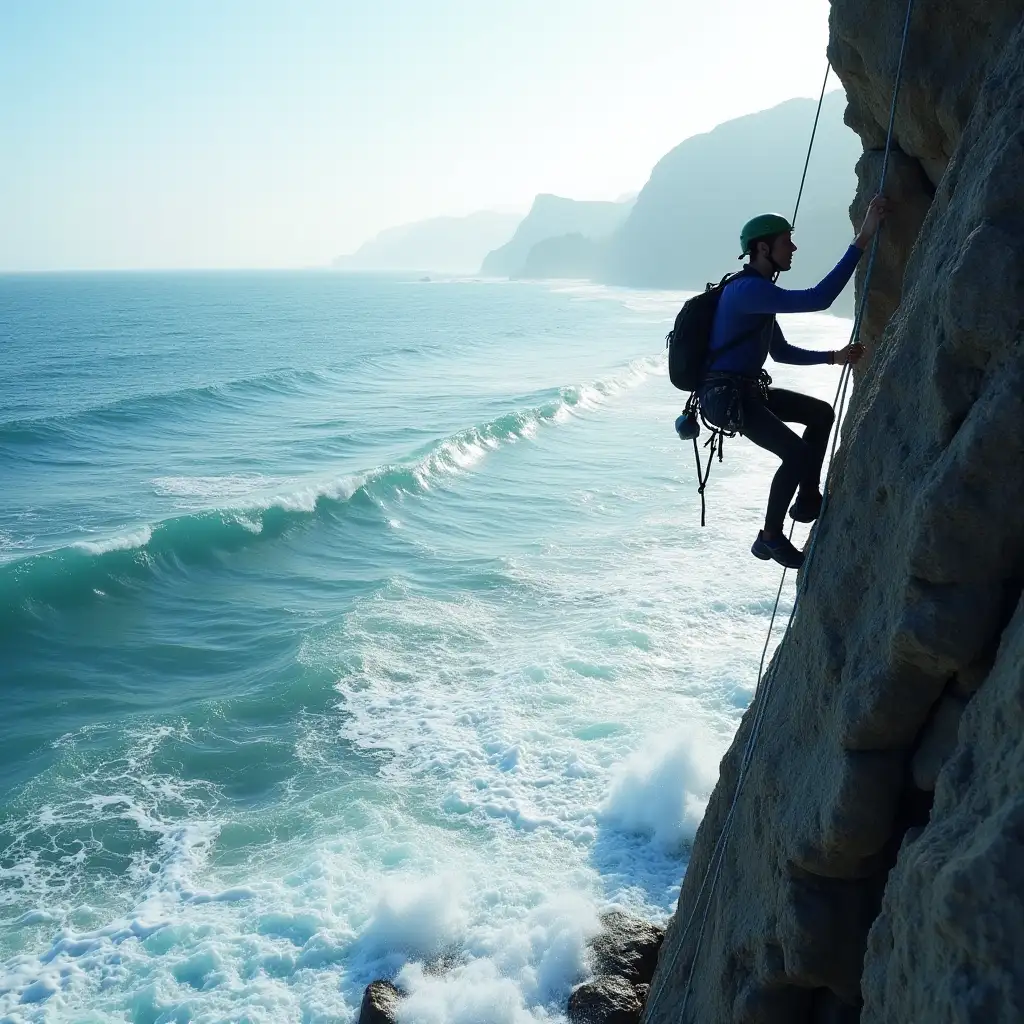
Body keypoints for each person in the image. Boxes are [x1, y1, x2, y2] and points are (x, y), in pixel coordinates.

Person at [697, 196, 888, 569]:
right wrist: (863, 237)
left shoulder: (756, 294)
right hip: (727, 396)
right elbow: (819, 298)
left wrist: (831, 357)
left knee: (820, 414)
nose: (794, 247)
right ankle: (769, 537)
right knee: (797, 454)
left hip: (743, 391)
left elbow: (780, 352)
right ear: (763, 248)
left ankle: (808, 498)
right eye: (787, 241)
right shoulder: (748, 291)